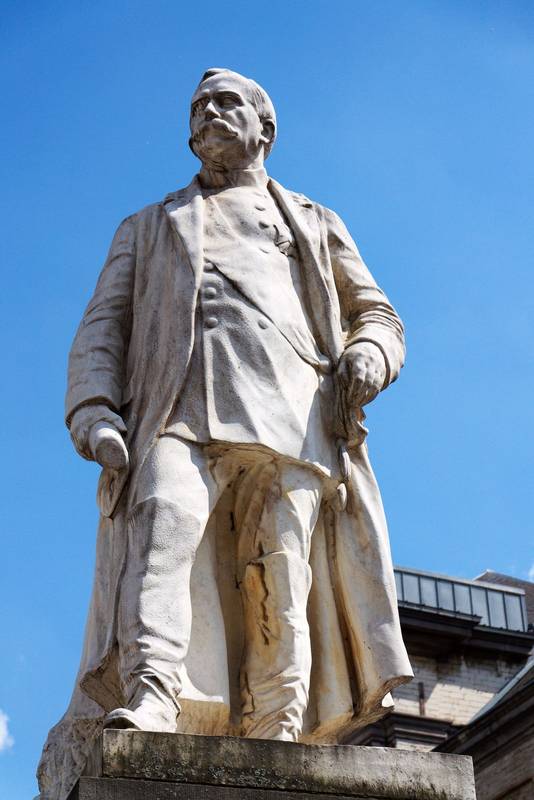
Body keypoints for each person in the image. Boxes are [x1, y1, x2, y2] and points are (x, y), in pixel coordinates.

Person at [37, 68, 412, 800]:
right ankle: (155, 693)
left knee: (281, 570)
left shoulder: (313, 221)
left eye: (226, 102)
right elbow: (102, 328)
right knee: (162, 528)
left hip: (293, 418)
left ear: (265, 129)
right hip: (176, 412)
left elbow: (377, 313)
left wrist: (371, 352)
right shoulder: (150, 225)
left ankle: (278, 722)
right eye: (198, 105)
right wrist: (93, 411)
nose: (208, 111)